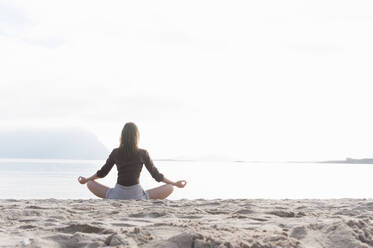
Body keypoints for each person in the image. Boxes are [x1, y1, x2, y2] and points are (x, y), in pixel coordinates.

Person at [78, 122, 186, 200]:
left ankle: (113, 195)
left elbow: (102, 173)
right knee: (170, 187)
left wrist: (86, 180)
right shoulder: (143, 153)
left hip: (117, 195)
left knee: (90, 183)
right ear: (136, 136)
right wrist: (175, 184)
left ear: (122, 136)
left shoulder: (116, 152)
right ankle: (144, 197)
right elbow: (156, 176)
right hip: (137, 196)